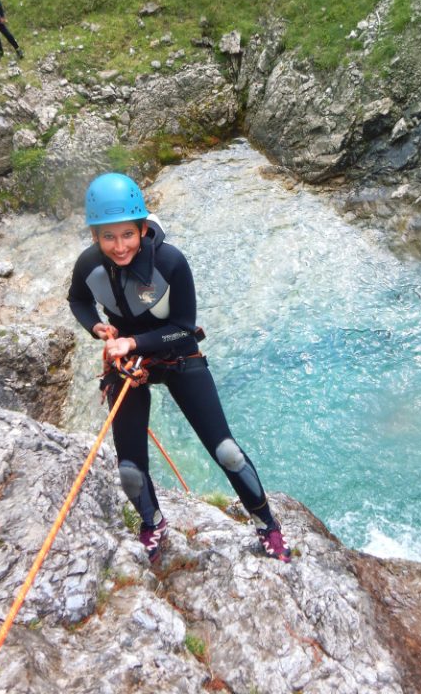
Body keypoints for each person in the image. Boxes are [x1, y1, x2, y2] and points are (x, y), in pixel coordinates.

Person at [67, 172, 291, 564]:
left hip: (177, 354)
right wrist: (97, 327)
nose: (119, 246)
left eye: (128, 234)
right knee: (129, 470)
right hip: (128, 363)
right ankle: (152, 523)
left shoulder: (170, 263)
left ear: (142, 229)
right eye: (108, 237)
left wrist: (133, 342)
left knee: (227, 452)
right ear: (95, 236)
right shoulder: (89, 265)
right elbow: (78, 300)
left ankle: (267, 525)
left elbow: (184, 327)